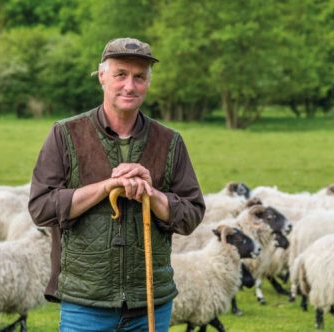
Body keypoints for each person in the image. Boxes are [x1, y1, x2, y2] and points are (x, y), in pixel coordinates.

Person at [28, 37, 205, 331]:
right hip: (85, 305)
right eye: (120, 75)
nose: (129, 86)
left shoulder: (169, 141)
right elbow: (41, 208)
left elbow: (191, 215)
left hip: (150, 303)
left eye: (139, 77)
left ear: (148, 82)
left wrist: (152, 194)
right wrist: (107, 187)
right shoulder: (65, 134)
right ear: (102, 77)